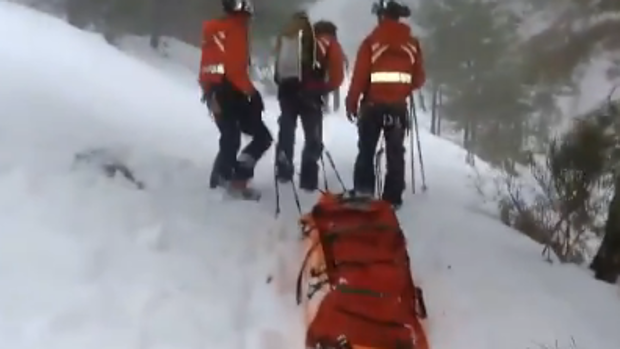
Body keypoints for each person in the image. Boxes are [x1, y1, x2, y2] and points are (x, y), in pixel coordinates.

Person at [345, 0, 425, 208]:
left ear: (381, 16)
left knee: (367, 149)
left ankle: (364, 192)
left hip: (373, 106)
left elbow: (360, 76)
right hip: (398, 107)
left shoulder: (371, 42)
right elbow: (419, 78)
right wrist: (403, 90)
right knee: (395, 152)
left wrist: (352, 102)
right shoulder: (412, 44)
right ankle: (393, 198)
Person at [199, 0, 272, 199]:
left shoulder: (214, 30)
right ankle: (234, 180)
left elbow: (208, 67)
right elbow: (235, 70)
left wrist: (209, 93)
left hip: (214, 92)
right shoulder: (236, 30)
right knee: (261, 137)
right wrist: (252, 94)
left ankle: (221, 179)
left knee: (230, 138)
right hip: (232, 93)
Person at [273, 13, 344, 191]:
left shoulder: (293, 40)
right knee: (313, 136)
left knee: (287, 128)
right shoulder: (330, 44)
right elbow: (337, 78)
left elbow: (277, 70)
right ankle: (308, 179)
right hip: (311, 96)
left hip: (287, 91)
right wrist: (322, 89)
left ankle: (283, 167)